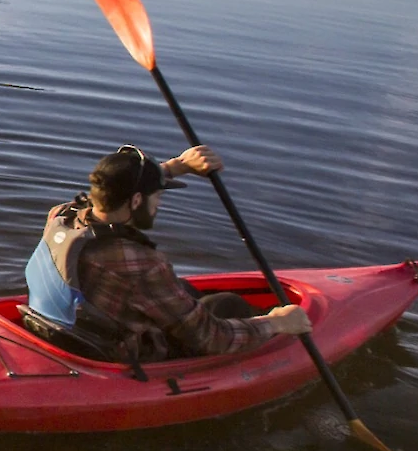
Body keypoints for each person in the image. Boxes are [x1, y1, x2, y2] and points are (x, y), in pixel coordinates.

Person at [22, 144, 312, 363]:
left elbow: (114, 183)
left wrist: (177, 166)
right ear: (136, 200)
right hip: (114, 351)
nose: (159, 204)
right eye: (157, 196)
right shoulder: (142, 264)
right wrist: (276, 322)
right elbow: (212, 337)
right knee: (227, 305)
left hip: (65, 326)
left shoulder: (61, 216)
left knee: (183, 289)